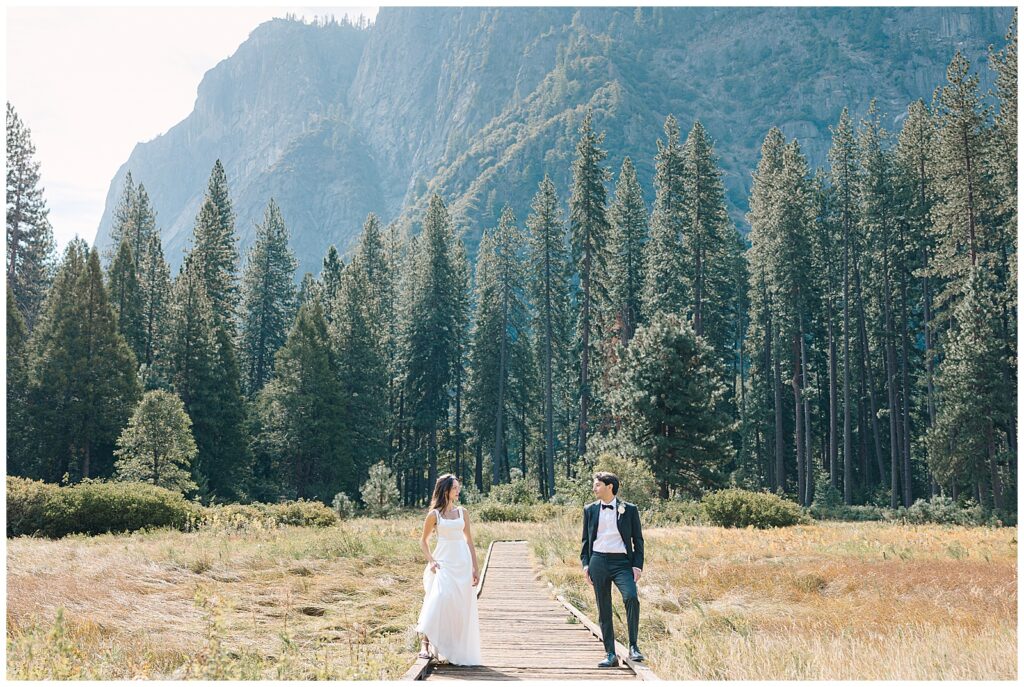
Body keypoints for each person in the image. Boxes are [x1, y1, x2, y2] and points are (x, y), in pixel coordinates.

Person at [580, 471, 646, 668]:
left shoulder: (630, 509)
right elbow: (585, 541)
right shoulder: (589, 509)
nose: (594, 488)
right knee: (604, 607)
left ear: (610, 487)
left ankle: (634, 646)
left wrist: (637, 565)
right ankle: (610, 654)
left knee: (631, 597)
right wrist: (585, 565)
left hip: (622, 563)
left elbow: (638, 540)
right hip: (598, 561)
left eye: (598, 485)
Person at [415, 474, 482, 666]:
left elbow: (469, 540)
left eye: (458, 488)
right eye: (455, 488)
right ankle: (425, 645)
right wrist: (432, 561)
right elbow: (423, 541)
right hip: (442, 563)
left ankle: (454, 648)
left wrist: (475, 568)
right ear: (445, 490)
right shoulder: (434, 515)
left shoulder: (463, 512)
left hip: (462, 563)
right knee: (437, 599)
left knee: (459, 606)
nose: (458, 491)